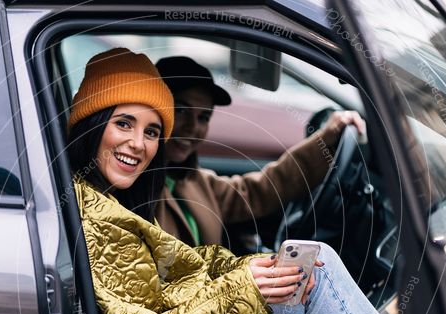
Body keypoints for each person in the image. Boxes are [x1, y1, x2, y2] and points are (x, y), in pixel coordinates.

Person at [67, 48, 403, 314]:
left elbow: (202, 261)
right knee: (316, 272)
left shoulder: (128, 196)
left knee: (306, 268)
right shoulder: (101, 218)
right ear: (93, 123)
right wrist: (246, 287)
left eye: (152, 131)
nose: (138, 143)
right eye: (123, 123)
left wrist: (254, 270)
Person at [153, 55, 365, 247]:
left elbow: (257, 191)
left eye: (203, 117)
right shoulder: (134, 188)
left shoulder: (192, 179)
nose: (193, 127)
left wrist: (324, 141)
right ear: (153, 109)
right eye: (181, 110)